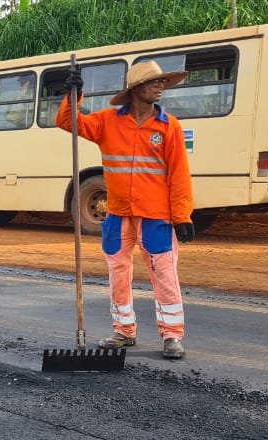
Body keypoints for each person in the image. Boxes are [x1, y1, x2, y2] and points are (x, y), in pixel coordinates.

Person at [57, 60, 195, 360]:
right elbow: (69, 122)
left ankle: (172, 335)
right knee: (118, 274)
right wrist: (74, 94)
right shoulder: (108, 121)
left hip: (156, 216)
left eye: (162, 83)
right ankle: (123, 330)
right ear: (135, 89)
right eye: (154, 83)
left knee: (165, 275)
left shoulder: (169, 126)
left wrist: (182, 216)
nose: (160, 87)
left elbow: (179, 175)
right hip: (118, 215)